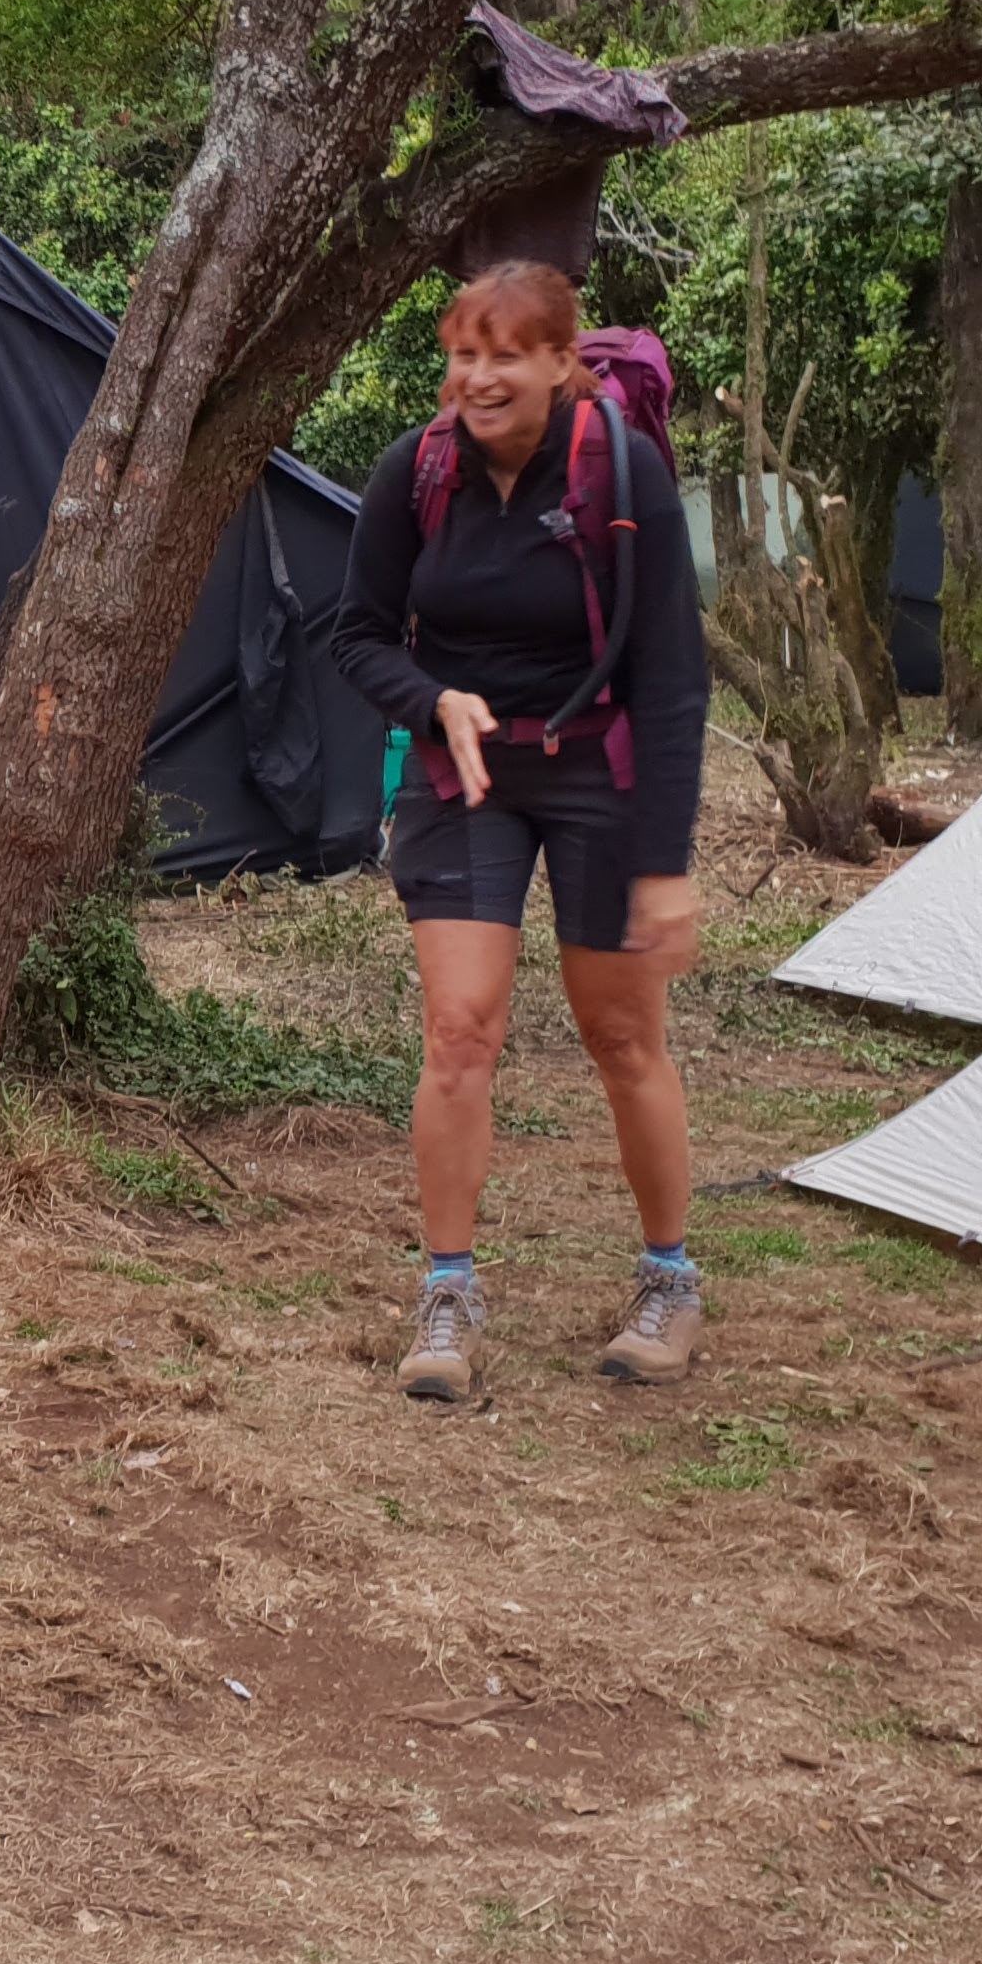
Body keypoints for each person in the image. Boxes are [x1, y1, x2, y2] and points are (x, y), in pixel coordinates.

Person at [329, 261, 708, 1402]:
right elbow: (357, 634)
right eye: (463, 354)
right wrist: (431, 699)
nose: (478, 378)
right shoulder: (417, 469)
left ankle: (670, 1280)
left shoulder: (622, 473)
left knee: (622, 1036)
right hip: (467, 773)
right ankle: (448, 1294)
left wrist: (665, 866)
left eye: (504, 356)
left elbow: (672, 678)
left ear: (559, 363)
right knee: (459, 1031)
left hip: (599, 769)